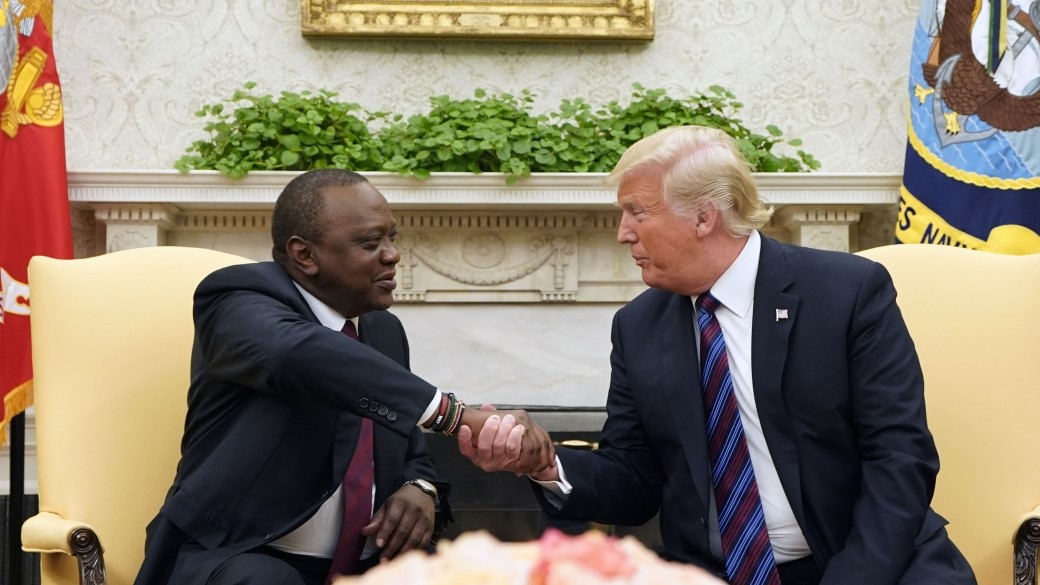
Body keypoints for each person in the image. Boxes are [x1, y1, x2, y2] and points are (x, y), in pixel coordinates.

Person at [458, 126, 976, 585]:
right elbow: (634, 483)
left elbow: (900, 457)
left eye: (637, 212)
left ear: (704, 217)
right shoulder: (638, 327)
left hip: (868, 564)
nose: (623, 233)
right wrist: (544, 462)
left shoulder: (846, 293)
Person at [134, 168, 554, 585]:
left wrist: (420, 488)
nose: (392, 254)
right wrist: (455, 415)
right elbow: (296, 354)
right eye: (371, 243)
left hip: (370, 560)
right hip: (241, 552)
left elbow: (410, 449)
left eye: (392, 237)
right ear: (305, 255)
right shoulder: (238, 301)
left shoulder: (382, 330)